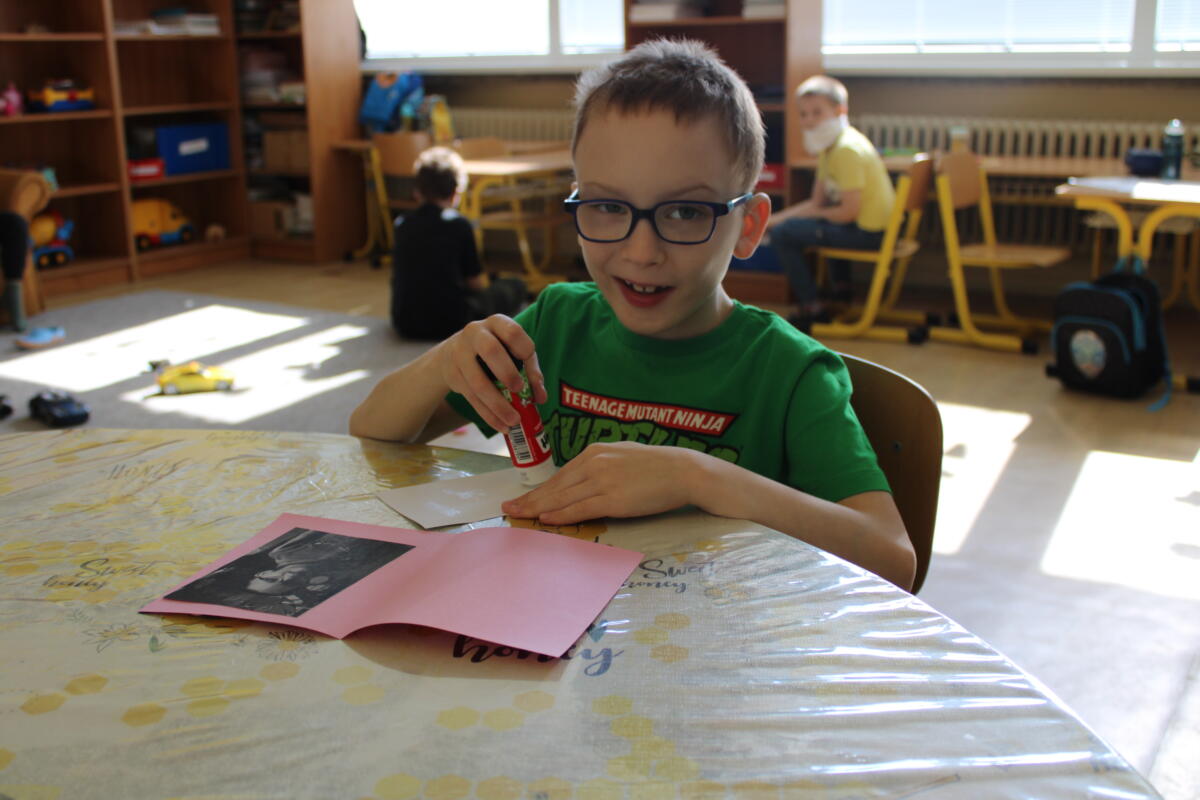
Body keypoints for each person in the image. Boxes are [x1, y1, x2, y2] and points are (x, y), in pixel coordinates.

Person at [350, 39, 916, 590]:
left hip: (718, 636)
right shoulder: (556, 323)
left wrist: (698, 477)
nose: (642, 252)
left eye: (686, 212)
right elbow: (372, 433)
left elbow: (892, 557)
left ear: (748, 226)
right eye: (606, 206)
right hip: (558, 619)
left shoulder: (788, 372)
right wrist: (445, 360)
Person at [766, 75, 895, 329]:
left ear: (839, 111)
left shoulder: (846, 150)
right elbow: (817, 202)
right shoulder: (832, 147)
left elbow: (847, 212)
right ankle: (841, 295)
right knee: (813, 224)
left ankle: (812, 306)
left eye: (817, 113)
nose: (809, 121)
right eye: (803, 114)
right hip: (865, 227)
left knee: (784, 234)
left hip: (872, 233)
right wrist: (771, 220)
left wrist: (779, 223)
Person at [390, 146, 527, 340]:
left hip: (405, 322)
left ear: (418, 191)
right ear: (456, 192)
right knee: (515, 285)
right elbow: (475, 283)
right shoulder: (459, 225)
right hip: (452, 322)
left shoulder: (402, 224)